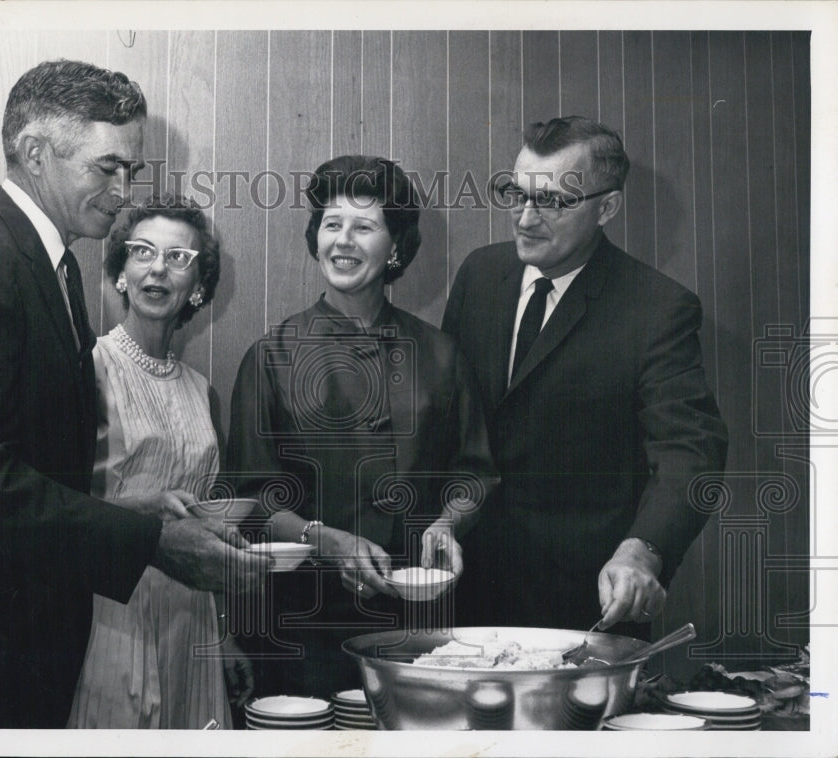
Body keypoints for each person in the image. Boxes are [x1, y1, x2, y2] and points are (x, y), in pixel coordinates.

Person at [0, 60, 267, 729]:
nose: (122, 189)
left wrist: (134, 507)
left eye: (131, 170)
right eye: (107, 167)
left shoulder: (43, 263)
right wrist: (148, 542)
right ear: (33, 153)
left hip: (13, 635)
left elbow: (23, 467)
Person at [223, 155, 498, 698]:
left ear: (395, 246)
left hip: (422, 628)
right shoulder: (272, 356)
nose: (343, 241)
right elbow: (251, 496)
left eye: (364, 226)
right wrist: (322, 540)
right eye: (332, 224)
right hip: (302, 630)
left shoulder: (442, 354)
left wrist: (447, 525)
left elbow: (474, 474)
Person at [442, 115, 728, 637]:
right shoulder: (478, 275)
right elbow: (450, 425)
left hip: (583, 606)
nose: (525, 218)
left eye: (551, 200)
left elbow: (691, 450)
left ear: (607, 207)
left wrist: (642, 552)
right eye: (516, 193)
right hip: (466, 594)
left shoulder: (658, 308)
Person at [67, 196, 252, 728]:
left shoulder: (202, 392)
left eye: (178, 258)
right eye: (142, 252)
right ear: (121, 274)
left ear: (197, 287)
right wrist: (139, 512)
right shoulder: (90, 368)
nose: (157, 267)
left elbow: (207, 529)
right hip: (110, 611)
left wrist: (222, 633)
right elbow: (56, 506)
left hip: (191, 618)